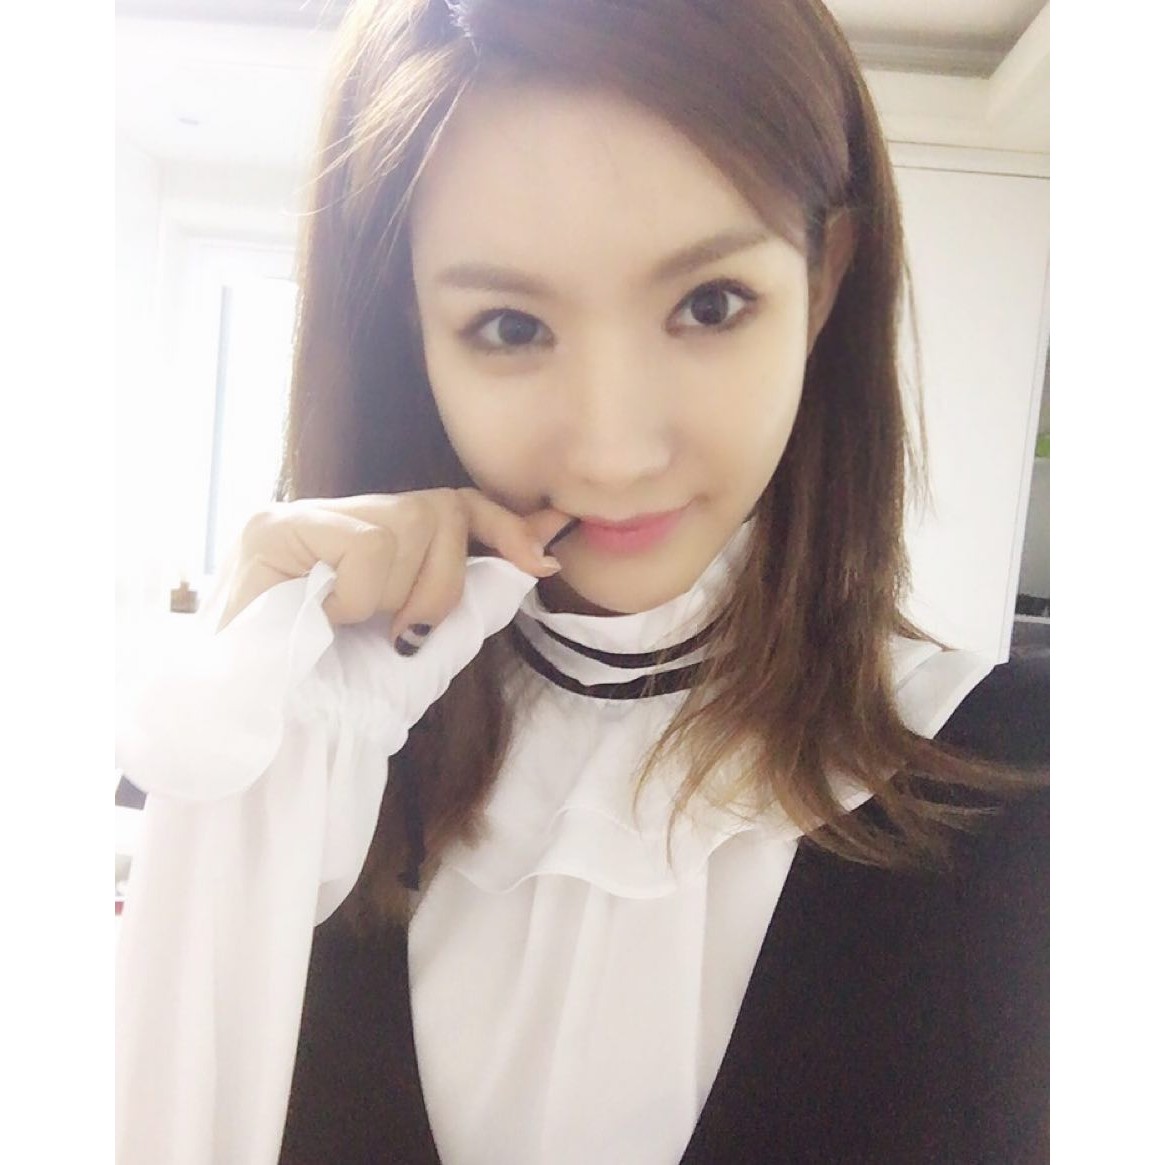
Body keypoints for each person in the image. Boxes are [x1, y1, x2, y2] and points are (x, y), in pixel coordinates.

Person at [115, 0, 1049, 1162]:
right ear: (413, 329)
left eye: (709, 305)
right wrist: (244, 769)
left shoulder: (1041, 783)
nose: (612, 452)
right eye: (510, 325)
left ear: (822, 284)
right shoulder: (329, 741)